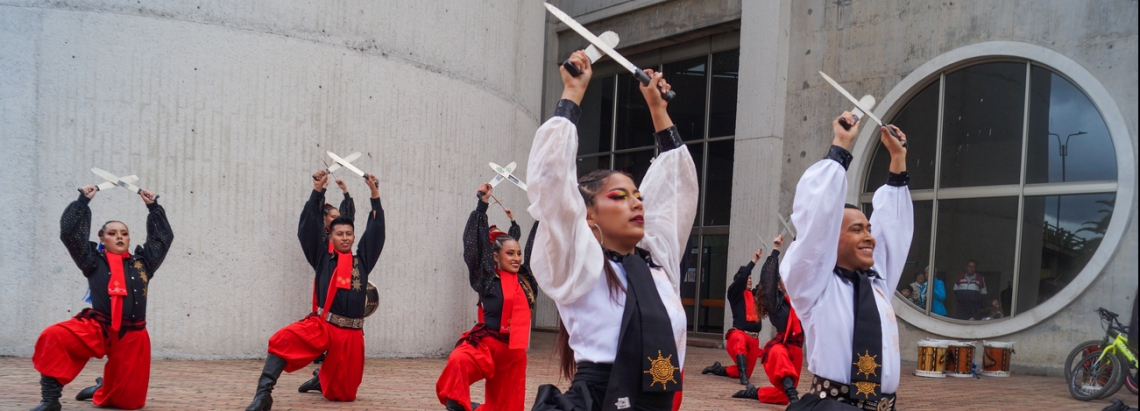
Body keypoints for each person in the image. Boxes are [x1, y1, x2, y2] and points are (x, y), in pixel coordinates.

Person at [529, 50, 697, 411]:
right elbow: (552, 184)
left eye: (638, 196)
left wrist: (658, 110)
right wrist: (572, 93)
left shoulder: (657, 265)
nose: (638, 203)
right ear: (587, 216)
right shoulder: (579, 262)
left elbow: (676, 190)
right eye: (619, 197)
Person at [781, 112, 912, 411]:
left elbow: (894, 231)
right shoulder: (815, 287)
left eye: (868, 229)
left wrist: (897, 158)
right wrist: (841, 145)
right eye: (857, 229)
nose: (869, 236)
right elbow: (816, 223)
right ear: (831, 239)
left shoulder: (877, 286)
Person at [245, 170, 385, 410]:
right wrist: (318, 189)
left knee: (343, 394)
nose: (345, 238)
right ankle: (263, 394)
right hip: (325, 326)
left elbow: (376, 231)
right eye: (339, 234)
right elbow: (307, 228)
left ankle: (321, 379)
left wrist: (374, 193)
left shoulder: (362, 261)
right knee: (282, 340)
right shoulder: (322, 258)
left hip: (351, 335)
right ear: (330, 236)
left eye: (349, 234)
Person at [29, 186, 173, 411]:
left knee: (129, 403)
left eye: (124, 233)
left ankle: (100, 388)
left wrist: (153, 207)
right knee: (53, 336)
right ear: (102, 237)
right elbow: (70, 233)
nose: (119, 237)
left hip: (133, 336)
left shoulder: (143, 263)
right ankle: (50, 400)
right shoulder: (92, 260)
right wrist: (82, 201)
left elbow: (162, 239)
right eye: (112, 233)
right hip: (99, 328)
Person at [435, 183, 538, 411]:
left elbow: (536, 247)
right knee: (459, 361)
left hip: (514, 354)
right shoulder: (488, 279)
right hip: (487, 345)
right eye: (509, 253)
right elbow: (474, 247)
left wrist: (543, 215)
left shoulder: (526, 280)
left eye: (518, 254)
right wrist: (482, 205)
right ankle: (457, 403)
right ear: (496, 257)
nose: (516, 258)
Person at [732, 235, 805, 405]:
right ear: (778, 284)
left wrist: (798, 245)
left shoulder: (797, 301)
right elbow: (768, 277)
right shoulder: (775, 303)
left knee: (782, 397)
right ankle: (793, 397)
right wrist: (776, 249)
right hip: (781, 346)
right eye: (783, 279)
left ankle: (755, 392)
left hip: (796, 349)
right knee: (779, 356)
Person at [701, 247, 767, 386]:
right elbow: (742, 277)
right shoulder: (734, 294)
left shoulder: (755, 295)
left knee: (746, 371)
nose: (749, 280)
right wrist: (754, 261)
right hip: (739, 335)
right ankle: (744, 379)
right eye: (747, 278)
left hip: (754, 338)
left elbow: (766, 284)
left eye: (751, 278)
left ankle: (718, 369)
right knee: (739, 340)